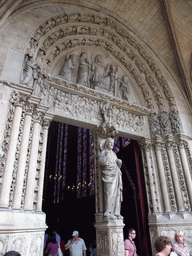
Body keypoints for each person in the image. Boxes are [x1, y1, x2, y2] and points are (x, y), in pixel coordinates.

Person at [99, 137, 123, 219]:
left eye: (112, 143)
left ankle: (116, 212)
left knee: (116, 194)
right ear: (106, 143)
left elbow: (117, 164)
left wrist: (119, 162)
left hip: (115, 175)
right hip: (108, 176)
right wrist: (106, 159)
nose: (111, 145)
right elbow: (100, 162)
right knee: (109, 193)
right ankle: (108, 211)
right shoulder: (103, 152)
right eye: (110, 143)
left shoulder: (114, 154)